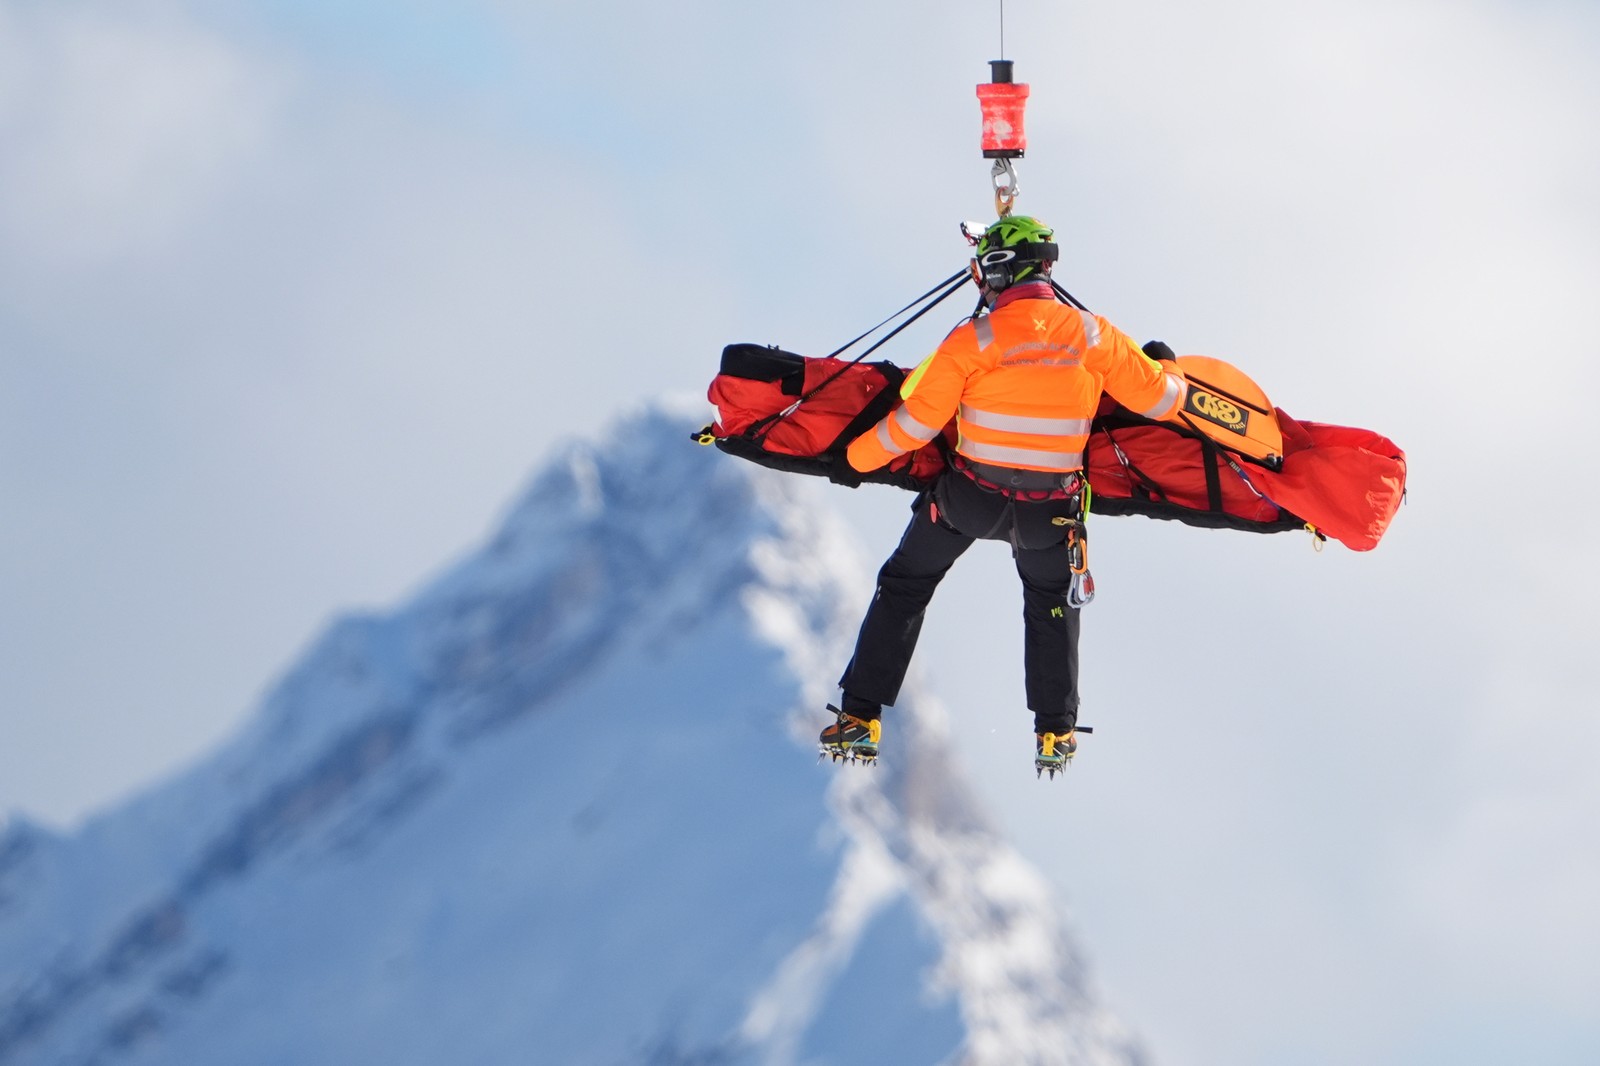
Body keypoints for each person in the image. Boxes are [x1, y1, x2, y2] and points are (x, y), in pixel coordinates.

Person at [819, 215, 1189, 775]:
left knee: (906, 585)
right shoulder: (1093, 335)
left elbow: (914, 427)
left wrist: (852, 460)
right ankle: (1054, 733)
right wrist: (1164, 364)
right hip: (1050, 515)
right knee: (1050, 607)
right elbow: (1165, 402)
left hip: (970, 499)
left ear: (995, 271)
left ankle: (860, 719)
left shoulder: (974, 339)